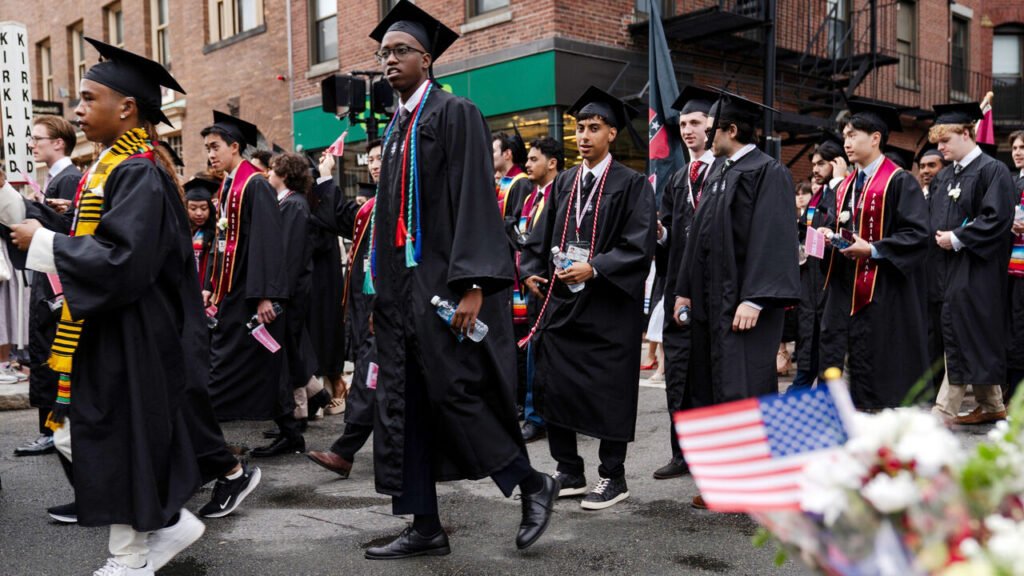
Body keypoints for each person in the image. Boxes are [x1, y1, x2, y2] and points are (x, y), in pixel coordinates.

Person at [2, 37, 206, 575]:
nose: (78, 110)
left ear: (127, 108)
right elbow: (96, 236)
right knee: (82, 433)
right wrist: (30, 221)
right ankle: (165, 524)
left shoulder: (137, 169)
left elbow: (125, 258)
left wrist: (45, 244)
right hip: (108, 326)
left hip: (132, 328)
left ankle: (131, 555)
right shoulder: (110, 166)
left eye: (89, 99)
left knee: (115, 435)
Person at [362, 0, 556, 558]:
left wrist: (473, 285)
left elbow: (475, 199)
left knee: (456, 391)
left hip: (447, 287)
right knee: (408, 401)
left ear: (427, 58)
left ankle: (529, 481)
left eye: (400, 51)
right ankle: (424, 524)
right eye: (383, 53)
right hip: (402, 291)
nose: (388, 61)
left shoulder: (454, 113)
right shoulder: (400, 125)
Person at [521, 85, 655, 511]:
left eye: (593, 128)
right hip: (564, 302)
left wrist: (595, 267)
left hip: (609, 306)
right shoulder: (563, 183)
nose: (583, 136)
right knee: (555, 381)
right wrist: (530, 273)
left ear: (612, 133)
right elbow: (538, 240)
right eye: (579, 128)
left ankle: (613, 477)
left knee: (610, 390)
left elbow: (640, 244)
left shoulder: (632, 184)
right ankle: (570, 470)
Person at [673, 90, 800, 508]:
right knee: (717, 390)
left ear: (730, 130)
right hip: (712, 303)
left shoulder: (768, 172)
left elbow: (774, 237)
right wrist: (684, 290)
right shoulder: (720, 172)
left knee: (745, 389)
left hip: (745, 307)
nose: (705, 134)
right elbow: (698, 238)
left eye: (711, 128)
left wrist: (757, 298)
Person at [816, 100, 930, 410]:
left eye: (853, 135)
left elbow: (918, 235)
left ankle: (875, 425)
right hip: (844, 288)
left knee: (877, 367)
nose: (846, 143)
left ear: (876, 138)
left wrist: (874, 249)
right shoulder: (845, 186)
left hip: (882, 289)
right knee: (835, 357)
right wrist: (829, 236)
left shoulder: (899, 181)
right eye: (845, 136)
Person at [201, 112, 294, 456]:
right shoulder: (229, 185)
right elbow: (223, 239)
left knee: (226, 364)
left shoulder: (254, 184)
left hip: (249, 292)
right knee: (269, 359)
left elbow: (268, 241)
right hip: (232, 288)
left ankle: (208, 441)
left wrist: (265, 295)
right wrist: (212, 281)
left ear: (235, 146)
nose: (210, 154)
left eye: (215, 147)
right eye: (207, 148)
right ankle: (289, 429)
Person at [928, 103, 1015, 425]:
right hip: (947, 266)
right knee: (969, 332)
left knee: (962, 331)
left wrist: (958, 237)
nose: (940, 148)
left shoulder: (993, 171)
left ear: (966, 134)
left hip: (979, 267)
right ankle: (992, 404)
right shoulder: (946, 175)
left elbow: (997, 218)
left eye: (945, 140)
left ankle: (943, 409)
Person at [650, 85, 717, 481]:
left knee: (709, 375)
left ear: (713, 126)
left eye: (696, 123)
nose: (687, 130)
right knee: (679, 375)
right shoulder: (676, 178)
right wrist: (659, 233)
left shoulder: (727, 172)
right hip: (679, 289)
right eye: (683, 123)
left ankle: (711, 454)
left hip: (714, 291)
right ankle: (681, 454)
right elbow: (670, 236)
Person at [305, 150, 378, 478]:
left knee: (370, 380)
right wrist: (325, 175)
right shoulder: (372, 210)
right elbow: (337, 213)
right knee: (370, 380)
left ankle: (345, 451)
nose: (375, 164)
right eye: (372, 159)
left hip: (397, 313)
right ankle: (346, 451)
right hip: (372, 314)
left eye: (381, 158)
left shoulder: (410, 205)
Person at [13, 115, 81, 459]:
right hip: (45, 272)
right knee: (42, 350)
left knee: (52, 353)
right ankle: (50, 429)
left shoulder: (70, 179)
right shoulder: (57, 179)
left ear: (58, 142)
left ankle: (54, 430)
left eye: (38, 138)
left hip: (57, 281)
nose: (32, 144)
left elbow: (68, 231)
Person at [262, 152, 332, 448]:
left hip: (290, 292)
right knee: (291, 347)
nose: (268, 173)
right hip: (291, 291)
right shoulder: (290, 203)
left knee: (288, 351)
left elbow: (288, 256)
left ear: (285, 174)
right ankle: (314, 397)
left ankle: (297, 417)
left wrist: (277, 295)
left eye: (273, 169)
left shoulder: (292, 206)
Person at [505, 137, 562, 443]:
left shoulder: (561, 195)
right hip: (529, 284)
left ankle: (541, 416)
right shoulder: (530, 198)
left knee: (548, 353)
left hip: (551, 285)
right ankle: (535, 415)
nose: (527, 165)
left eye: (533, 159)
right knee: (533, 352)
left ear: (551, 163)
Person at [788, 135, 844, 391]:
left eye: (822, 164)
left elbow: (840, 220)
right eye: (814, 165)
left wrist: (837, 182)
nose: (815, 169)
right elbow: (806, 227)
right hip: (809, 275)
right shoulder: (816, 197)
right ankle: (802, 383)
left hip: (830, 276)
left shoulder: (840, 190)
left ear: (836, 162)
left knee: (826, 339)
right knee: (807, 335)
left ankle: (824, 393)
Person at [1008, 130, 1024, 400]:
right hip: (1014, 267)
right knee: (1015, 325)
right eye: (1015, 148)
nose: (1018, 152)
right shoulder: (1010, 183)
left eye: (1023, 147)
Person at [184, 175, 219, 289]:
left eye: (204, 208)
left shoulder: (216, 232)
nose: (199, 213)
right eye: (193, 208)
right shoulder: (180, 231)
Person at [494, 130, 532, 218]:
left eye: (493, 151)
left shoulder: (521, 183)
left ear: (507, 154)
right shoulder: (504, 183)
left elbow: (518, 223)